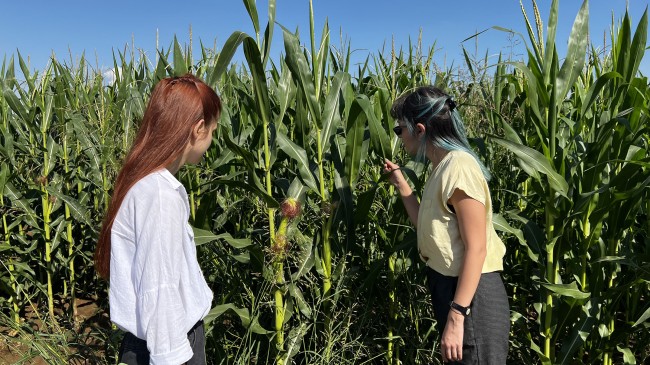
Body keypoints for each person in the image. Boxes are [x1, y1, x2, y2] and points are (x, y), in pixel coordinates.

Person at [94, 73, 221, 365]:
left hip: (150, 343)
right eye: (213, 130)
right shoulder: (161, 196)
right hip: (169, 345)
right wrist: (169, 356)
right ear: (197, 129)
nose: (211, 140)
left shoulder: (144, 182)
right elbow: (159, 286)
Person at [383, 86, 509, 364]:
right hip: (455, 293)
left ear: (419, 128)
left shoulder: (459, 167)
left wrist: (457, 315)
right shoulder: (441, 168)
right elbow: (431, 229)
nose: (399, 137)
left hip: (472, 296)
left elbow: (476, 248)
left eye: (399, 129)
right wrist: (402, 185)